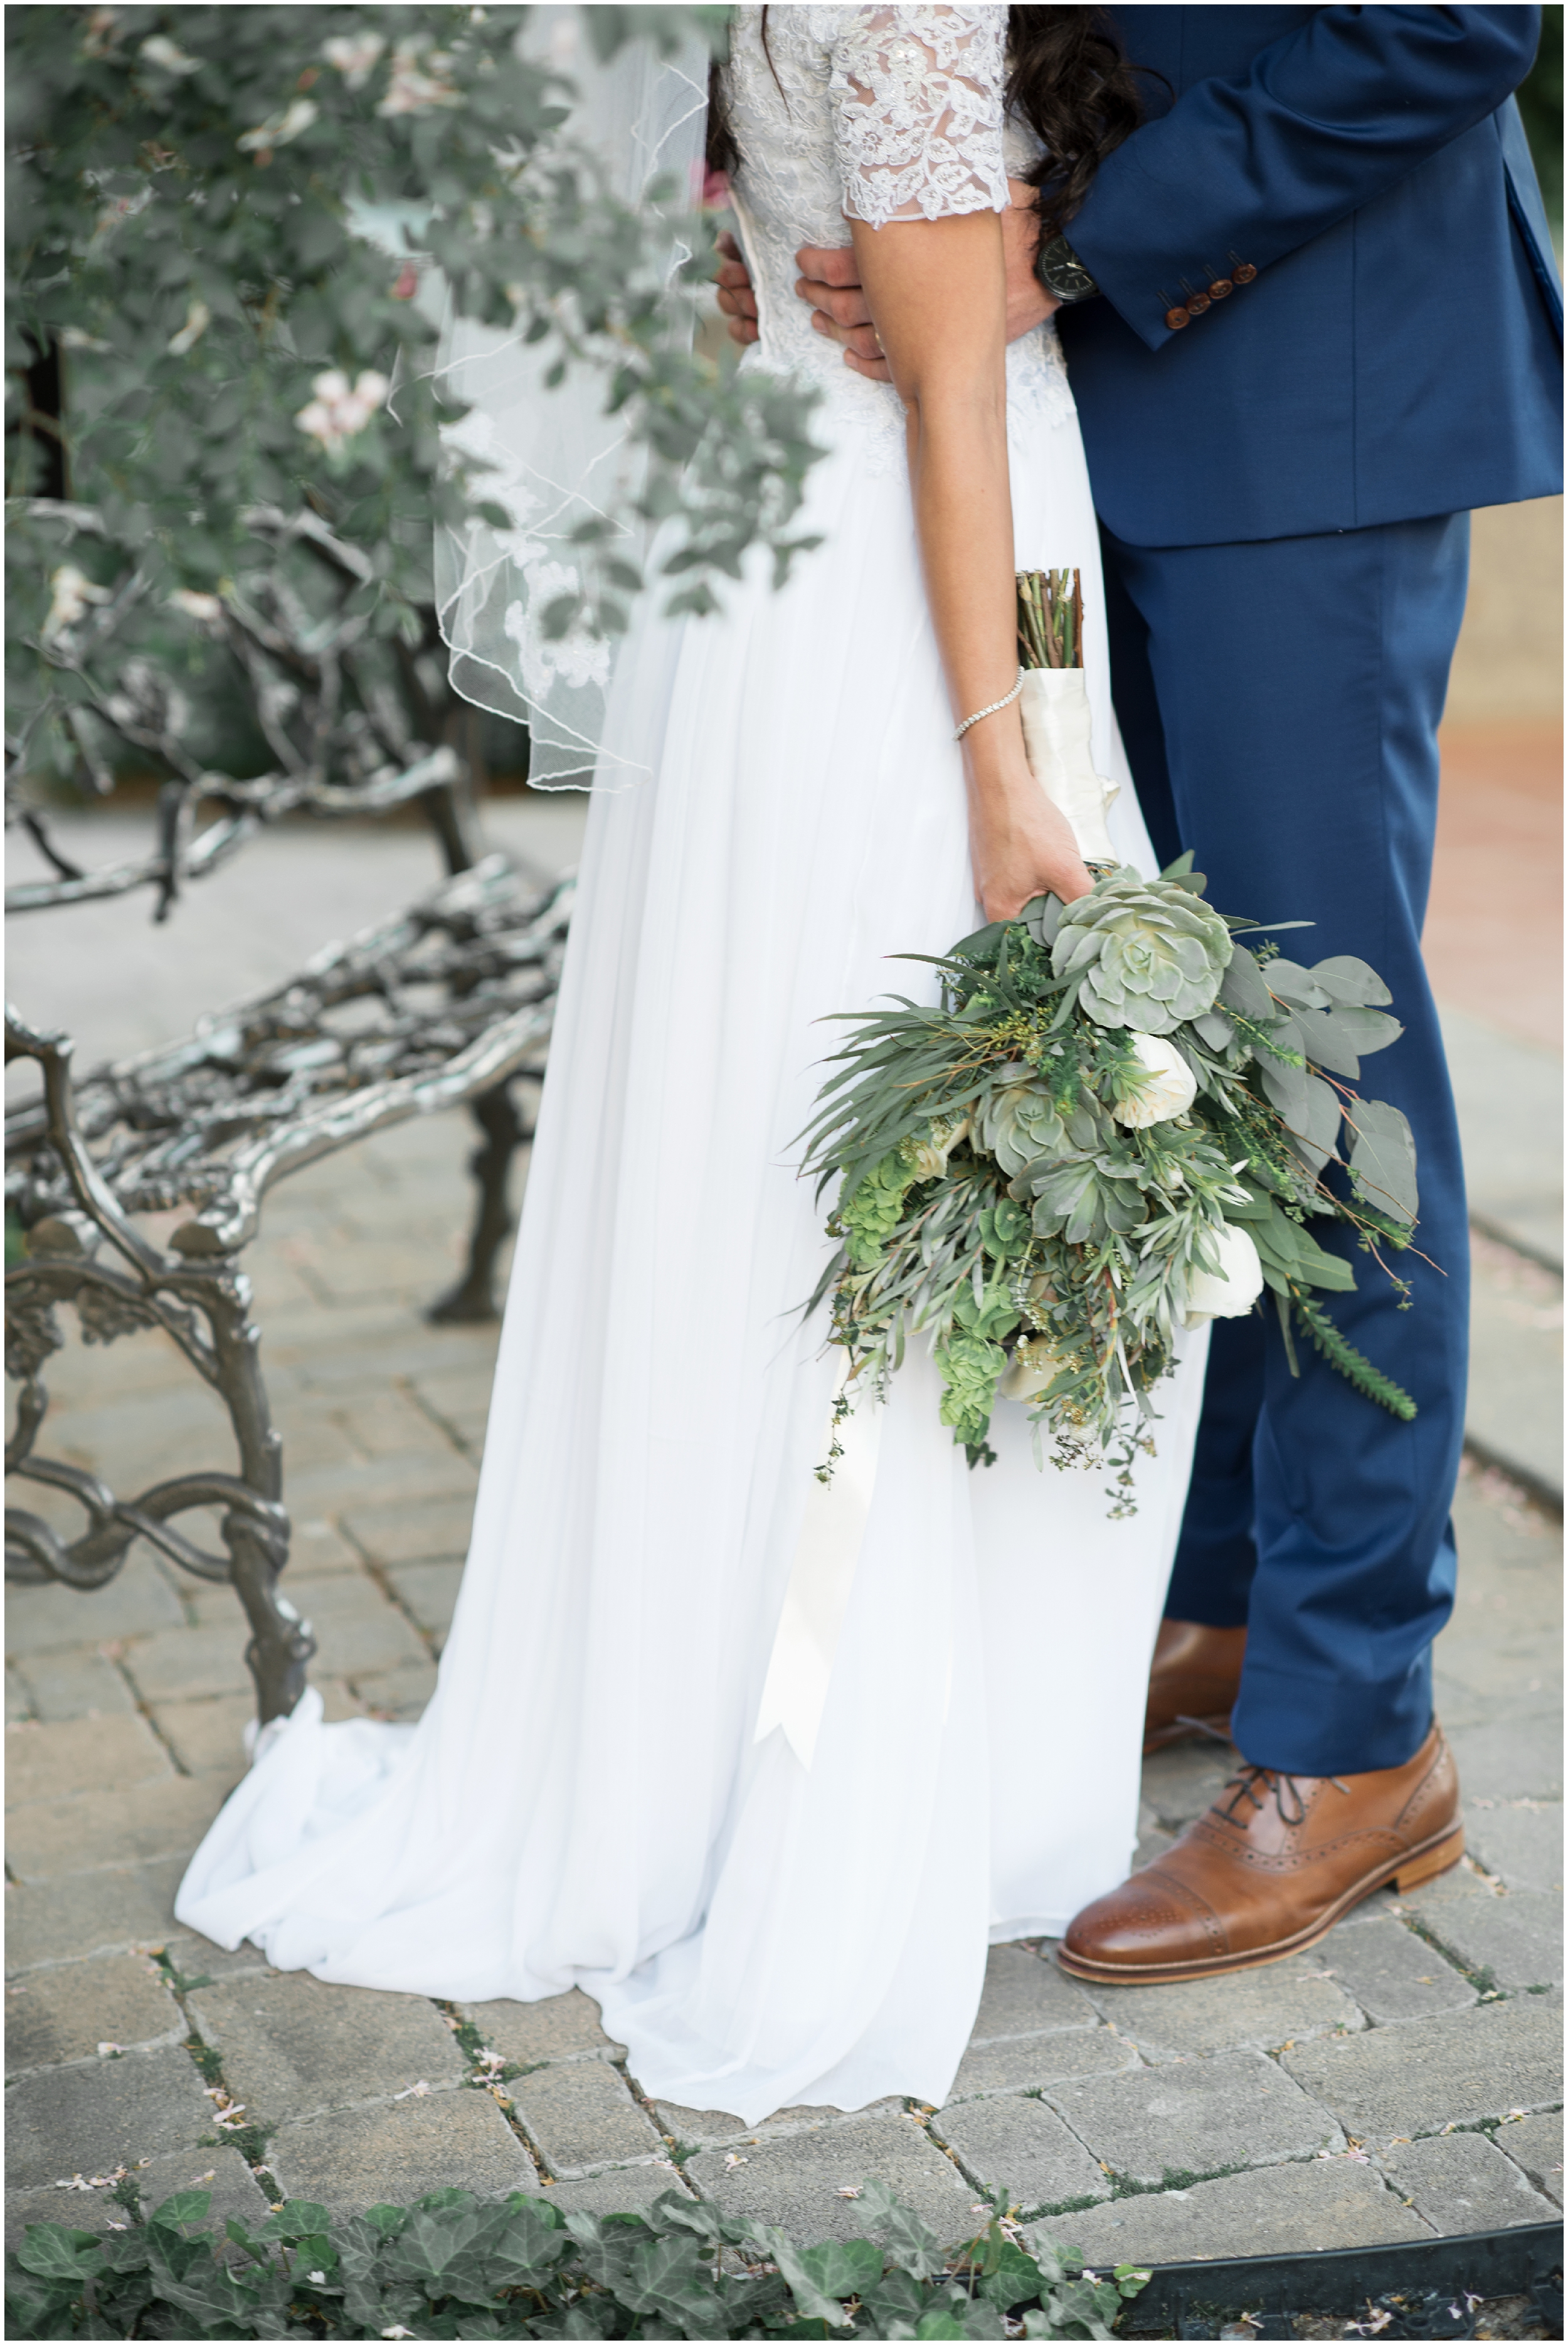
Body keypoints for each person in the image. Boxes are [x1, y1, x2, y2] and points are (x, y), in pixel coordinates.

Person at [176, 6, 1217, 2119]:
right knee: (885, 1195)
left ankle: (691, 1736)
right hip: (905, 639)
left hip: (792, 617)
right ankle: (853, 1783)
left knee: (756, 1170)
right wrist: (1012, 766)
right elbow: (952, 397)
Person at [719, 3, 1562, 1984]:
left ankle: (1359, 1733)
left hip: (1302, 393)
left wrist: (1072, 239)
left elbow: (1450, 18)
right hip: (1050, 412)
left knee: (1318, 1056)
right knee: (1165, 1033)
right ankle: (1227, 1595)